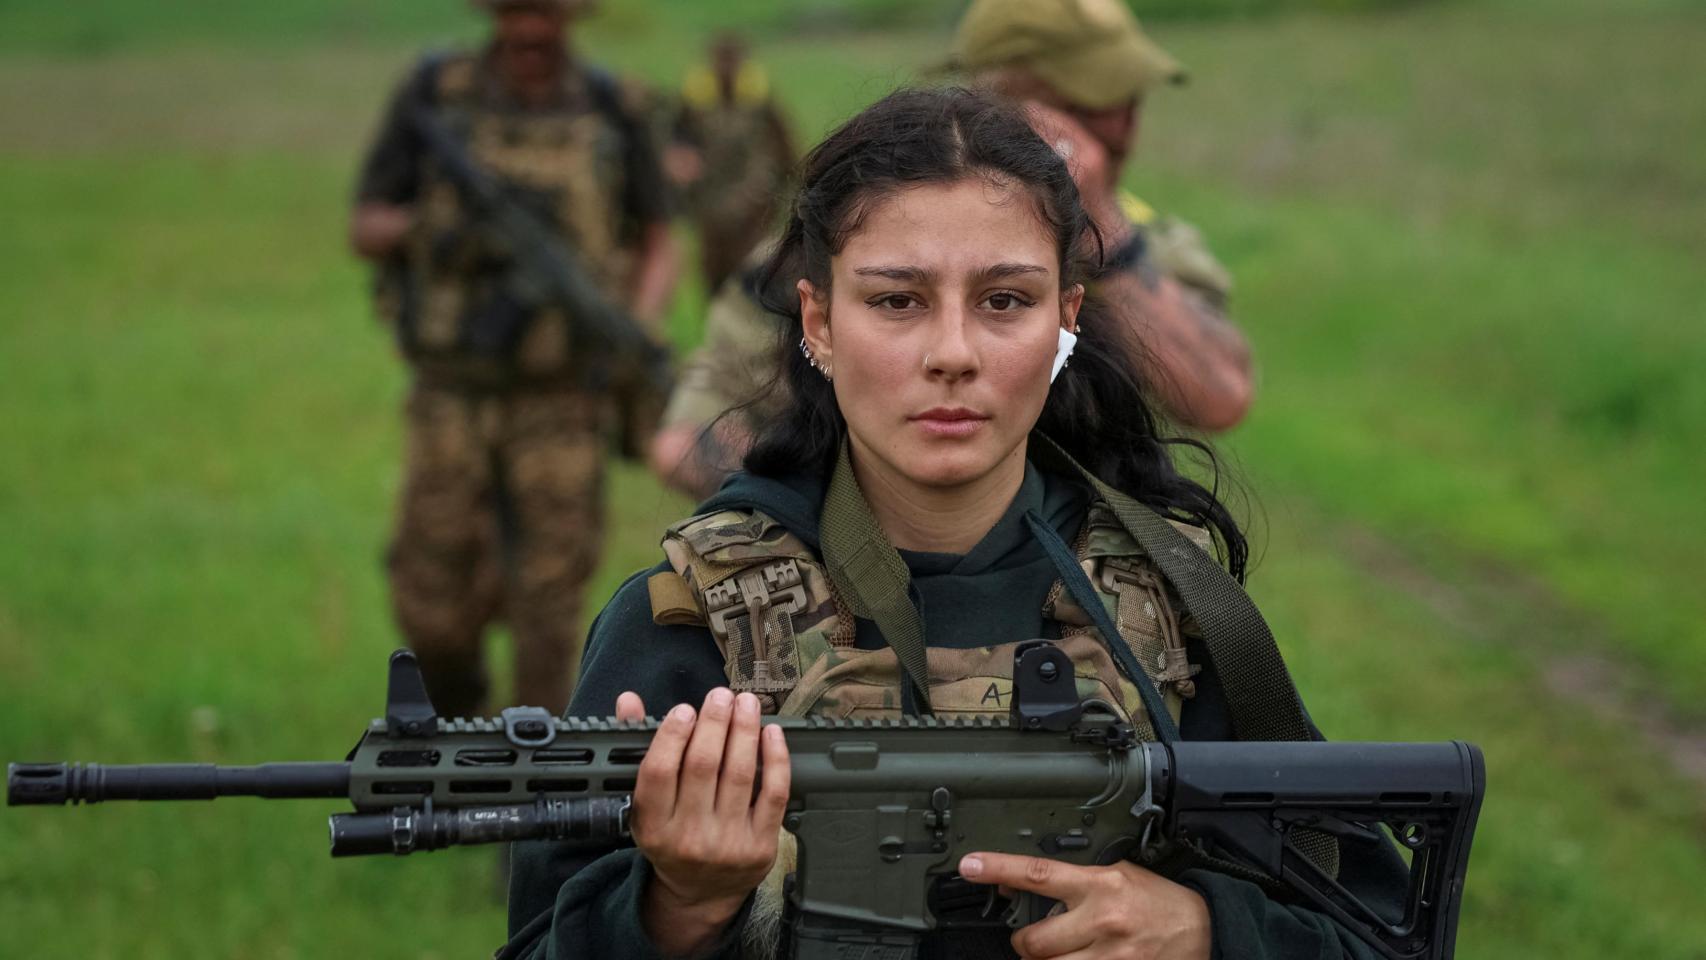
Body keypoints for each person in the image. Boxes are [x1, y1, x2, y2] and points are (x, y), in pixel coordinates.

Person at [503, 88, 1404, 960]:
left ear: (1066, 320)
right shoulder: (693, 617)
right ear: (818, 320)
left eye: (1005, 300)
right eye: (897, 300)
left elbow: (1371, 928)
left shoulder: (1169, 613)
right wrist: (678, 909)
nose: (952, 355)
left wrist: (1206, 932)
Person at [647, 0, 1252, 502]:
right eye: (1085, 107)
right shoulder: (836, 249)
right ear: (988, 102)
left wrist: (1108, 236)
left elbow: (1218, 397)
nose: (1118, 132)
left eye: (1130, 102)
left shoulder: (1149, 247)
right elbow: (688, 440)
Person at [348, 0, 677, 719]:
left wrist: (634, 328)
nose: (530, 30)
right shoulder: (435, 93)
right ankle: (455, 712)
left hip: (563, 396)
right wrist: (435, 226)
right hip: (451, 393)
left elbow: (659, 236)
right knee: (428, 601)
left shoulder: (611, 107)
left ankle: (535, 799)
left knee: (549, 607)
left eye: (546, 14)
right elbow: (365, 225)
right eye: (515, 12)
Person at [667, 34, 796, 295]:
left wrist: (781, 199)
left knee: (753, 275)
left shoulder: (761, 104)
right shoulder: (694, 105)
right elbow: (677, 150)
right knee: (713, 278)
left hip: (753, 208)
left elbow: (786, 153)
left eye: (732, 60)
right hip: (710, 210)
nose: (726, 67)